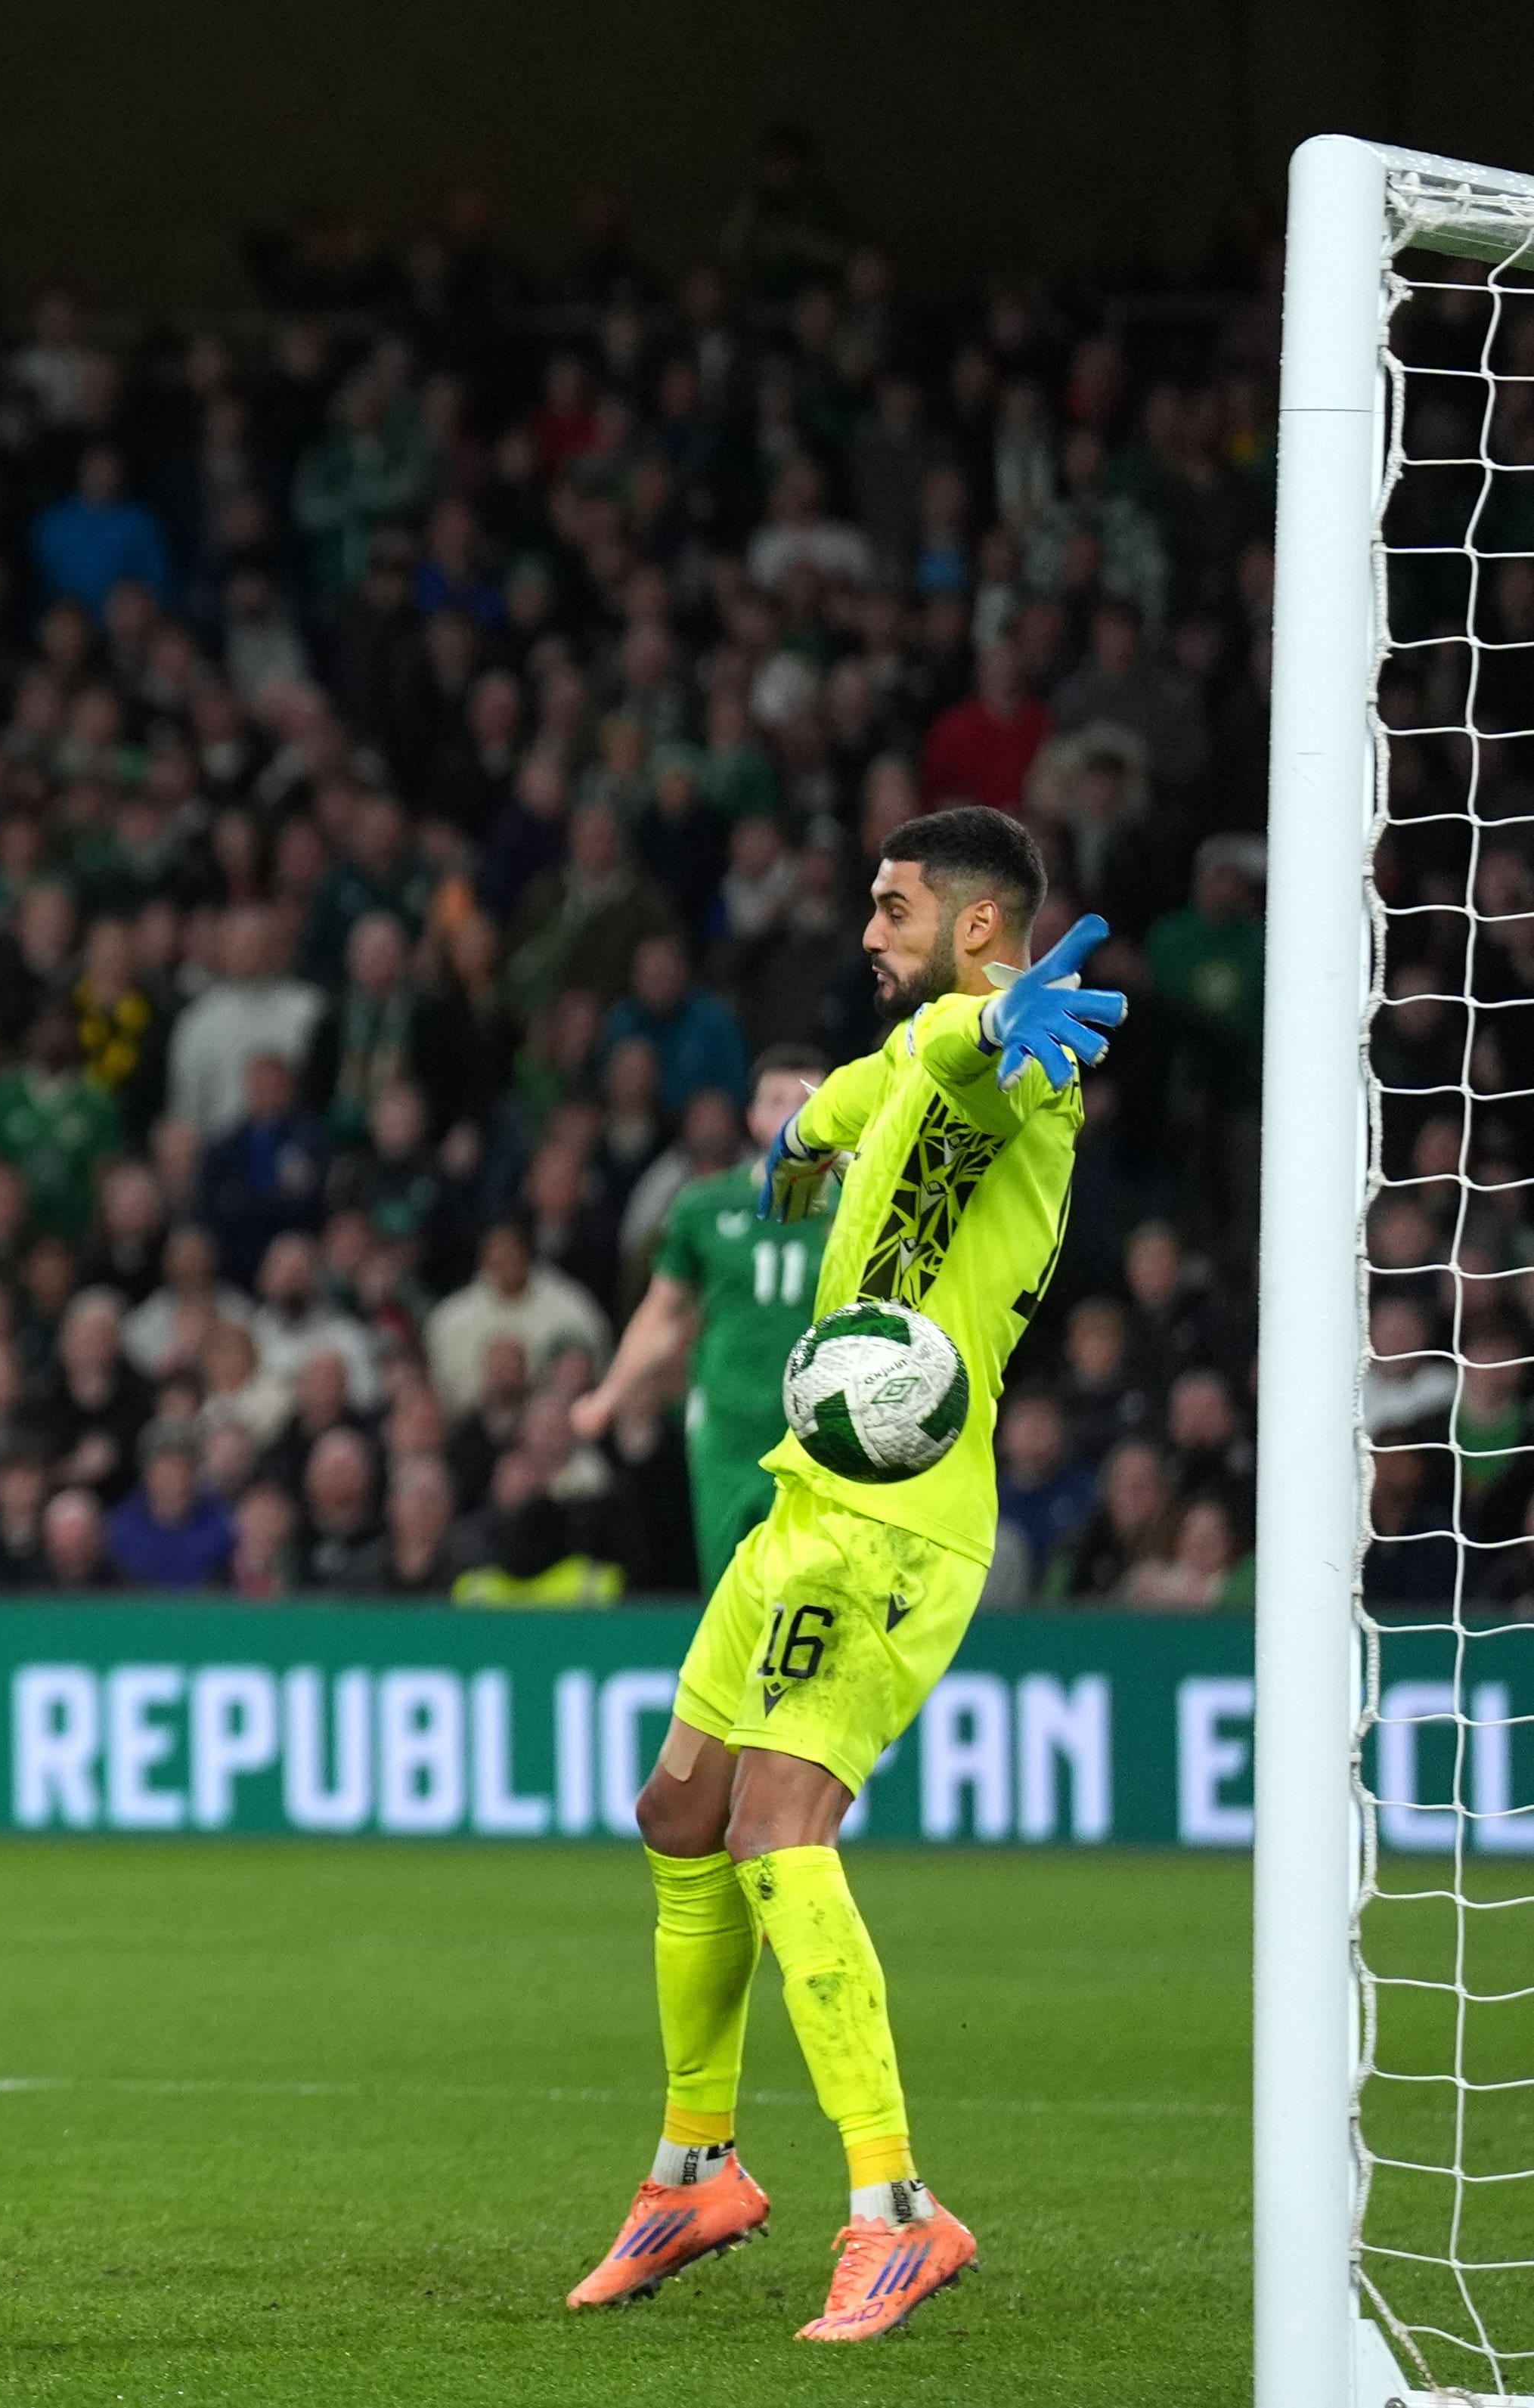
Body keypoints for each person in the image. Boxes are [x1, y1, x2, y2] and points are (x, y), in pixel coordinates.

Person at [568, 806, 1123, 2340]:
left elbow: (961, 1065)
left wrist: (1005, 1020)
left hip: (894, 1520)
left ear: (972, 927)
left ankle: (892, 2205)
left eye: (889, 909)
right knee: (678, 1806)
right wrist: (797, 1145)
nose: (863, 934)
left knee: (774, 1826)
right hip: (801, 1502)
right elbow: (852, 1101)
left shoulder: (1024, 1066)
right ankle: (695, 2166)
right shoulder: (894, 1061)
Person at [570, 1047, 831, 1587]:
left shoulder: (867, 1200)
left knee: (817, 1595)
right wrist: (609, 1395)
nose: (791, 1112)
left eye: (807, 1098)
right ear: (752, 1117)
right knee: (733, 1594)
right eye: (776, 1099)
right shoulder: (704, 1206)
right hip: (729, 1427)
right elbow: (662, 1315)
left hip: (824, 1428)